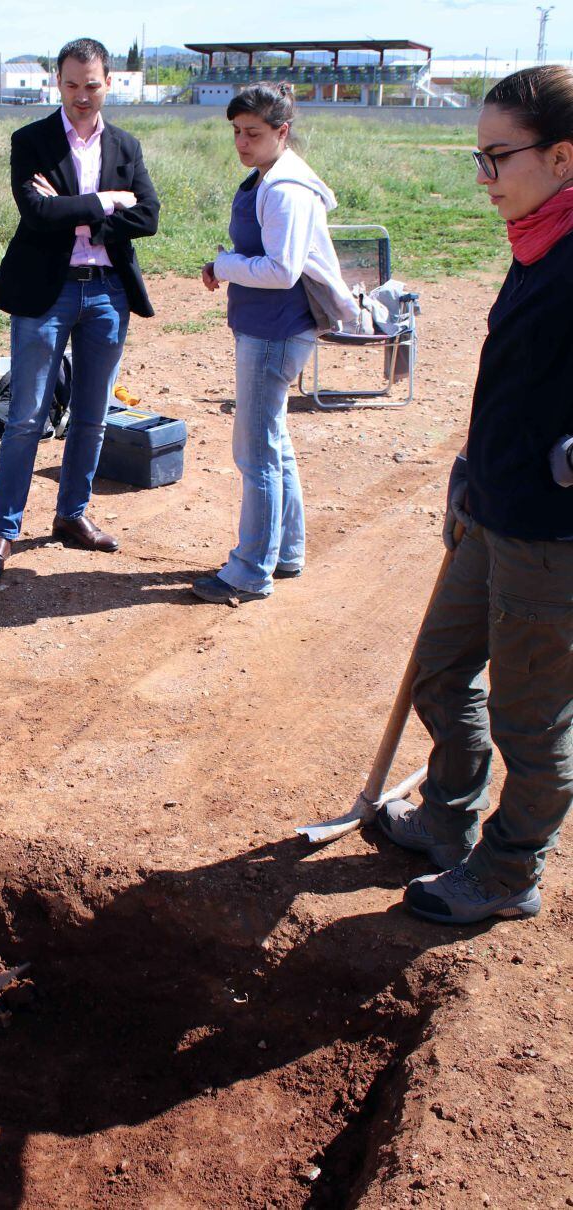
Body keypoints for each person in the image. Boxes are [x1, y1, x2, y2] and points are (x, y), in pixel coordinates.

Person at [379, 65, 573, 925]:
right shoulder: (538, 241)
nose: (483, 178)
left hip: (551, 533)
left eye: (499, 157)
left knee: (531, 722)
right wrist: (469, 469)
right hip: (493, 507)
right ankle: (450, 818)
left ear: (563, 157)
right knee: (439, 669)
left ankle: (506, 874)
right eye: (478, 157)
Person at [0, 36, 160, 581]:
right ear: (59, 82)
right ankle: (2, 532)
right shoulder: (30, 140)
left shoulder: (125, 145)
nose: (82, 95)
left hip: (107, 293)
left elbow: (147, 217)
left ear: (108, 83)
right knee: (27, 417)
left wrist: (73, 211)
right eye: (72, 84)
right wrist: (105, 202)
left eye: (92, 85)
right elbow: (34, 211)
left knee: (93, 415)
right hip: (45, 294)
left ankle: (71, 517)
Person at [193, 83, 357, 605]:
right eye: (237, 132)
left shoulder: (285, 187)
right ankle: (284, 552)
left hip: (274, 329)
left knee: (256, 452)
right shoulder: (273, 176)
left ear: (281, 132)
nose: (242, 142)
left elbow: (282, 270)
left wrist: (224, 266)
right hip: (273, 327)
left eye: (254, 133)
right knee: (273, 444)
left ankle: (249, 570)